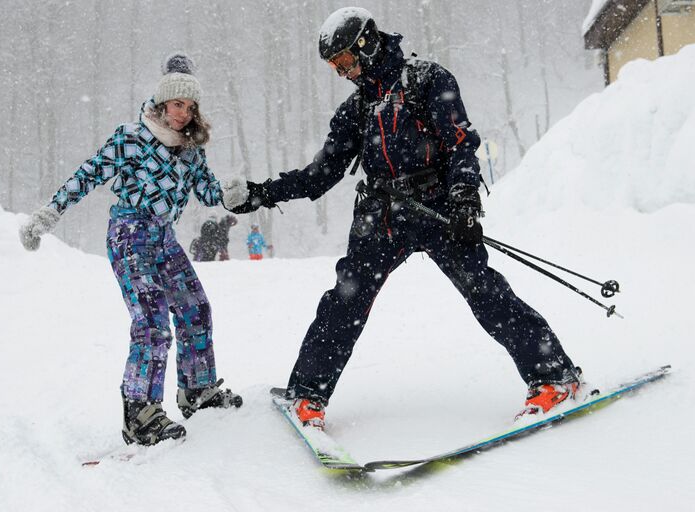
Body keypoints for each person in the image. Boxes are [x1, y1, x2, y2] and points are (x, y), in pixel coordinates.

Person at [223, 8, 583, 429]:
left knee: (484, 290)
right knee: (345, 300)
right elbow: (320, 174)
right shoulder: (356, 110)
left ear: (367, 44)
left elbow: (461, 143)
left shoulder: (427, 79)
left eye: (344, 61)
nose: (341, 73)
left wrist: (465, 201)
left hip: (437, 208)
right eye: (333, 67)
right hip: (381, 215)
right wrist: (262, 193)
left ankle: (554, 377)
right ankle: (307, 396)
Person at [19, 53, 242, 446]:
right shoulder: (131, 138)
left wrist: (235, 193)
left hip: (164, 238)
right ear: (161, 103)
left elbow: (208, 192)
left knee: (195, 308)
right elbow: (88, 175)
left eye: (190, 107)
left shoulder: (191, 149)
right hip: (129, 234)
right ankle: (139, 412)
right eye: (177, 104)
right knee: (152, 321)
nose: (184, 114)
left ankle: (197, 391)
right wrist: (49, 213)